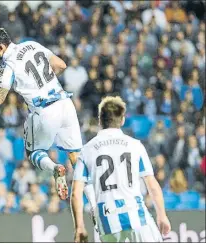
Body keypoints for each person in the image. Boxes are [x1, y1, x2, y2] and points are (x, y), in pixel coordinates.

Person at [0, 27, 81, 200]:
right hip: (65, 103)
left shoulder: (8, 66)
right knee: (75, 156)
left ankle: (54, 169)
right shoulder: (32, 45)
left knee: (34, 152)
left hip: (45, 110)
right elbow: (61, 64)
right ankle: (94, 200)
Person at [71, 96, 171, 242]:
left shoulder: (86, 151)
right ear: (122, 120)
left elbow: (75, 193)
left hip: (107, 223)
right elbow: (152, 185)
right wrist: (162, 215)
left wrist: (79, 226)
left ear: (100, 120)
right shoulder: (135, 145)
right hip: (136, 217)